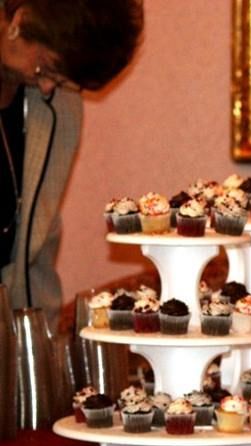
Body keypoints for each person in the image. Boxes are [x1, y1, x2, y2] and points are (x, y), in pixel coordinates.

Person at [0, 0, 143, 324]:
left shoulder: (59, 107)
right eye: (46, 67)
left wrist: (42, 351)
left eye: (62, 79)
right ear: (19, 20)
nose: (48, 86)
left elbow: (37, 247)